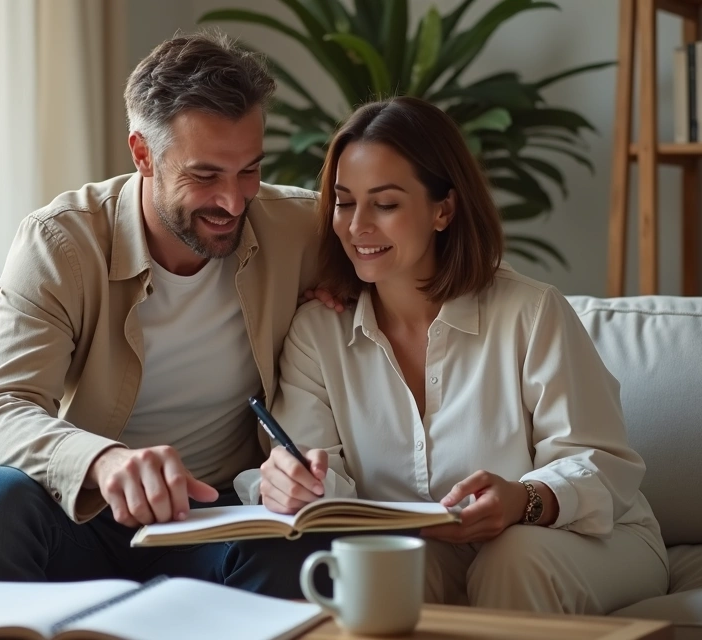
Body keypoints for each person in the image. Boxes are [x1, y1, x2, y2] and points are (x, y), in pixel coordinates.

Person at [0, 32, 335, 597]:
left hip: (219, 517)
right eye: (205, 175)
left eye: (249, 170)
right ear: (142, 154)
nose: (233, 201)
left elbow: (403, 264)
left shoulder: (298, 229)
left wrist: (352, 292)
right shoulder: (61, 242)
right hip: (85, 510)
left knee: (300, 542)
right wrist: (102, 461)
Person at [237, 96, 669, 613]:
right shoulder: (316, 334)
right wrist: (295, 485)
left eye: (386, 204)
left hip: (584, 541)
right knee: (385, 571)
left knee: (511, 558)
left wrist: (524, 500)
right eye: (344, 202)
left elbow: (600, 463)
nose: (356, 226)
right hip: (427, 553)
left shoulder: (531, 313)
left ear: (443, 209)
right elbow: (324, 480)